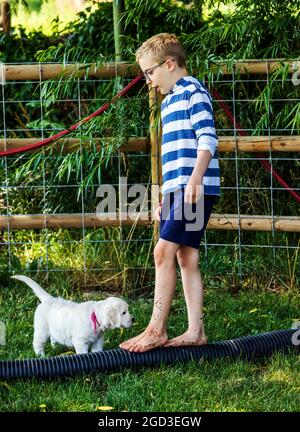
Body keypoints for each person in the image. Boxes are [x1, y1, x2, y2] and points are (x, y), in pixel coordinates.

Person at [120, 33, 220, 353]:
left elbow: (207, 141)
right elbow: (173, 155)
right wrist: (166, 193)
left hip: (195, 188)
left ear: (170, 63)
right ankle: (195, 331)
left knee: (162, 252)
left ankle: (156, 329)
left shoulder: (194, 92)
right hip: (178, 189)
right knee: (185, 255)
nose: (148, 80)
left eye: (149, 72)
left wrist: (194, 181)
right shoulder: (170, 100)